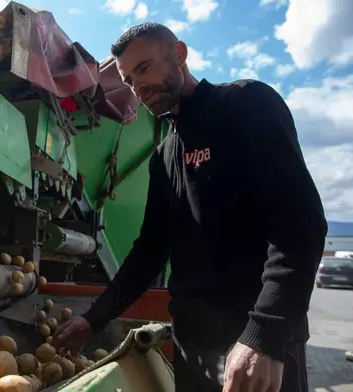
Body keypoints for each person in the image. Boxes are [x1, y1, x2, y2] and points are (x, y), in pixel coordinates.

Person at [50, 22, 327, 392]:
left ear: (178, 54)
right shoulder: (164, 154)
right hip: (192, 347)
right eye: (129, 80)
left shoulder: (247, 104)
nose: (138, 88)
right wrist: (94, 319)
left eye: (144, 68)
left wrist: (266, 333)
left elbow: (300, 225)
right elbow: (149, 251)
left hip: (254, 346)